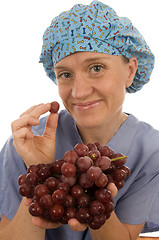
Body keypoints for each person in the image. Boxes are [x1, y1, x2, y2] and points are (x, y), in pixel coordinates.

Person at [0, 1, 159, 239]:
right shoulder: (27, 143)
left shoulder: (151, 152)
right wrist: (37, 170)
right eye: (65, 74)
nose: (79, 92)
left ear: (130, 71)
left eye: (96, 68)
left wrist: (98, 195)